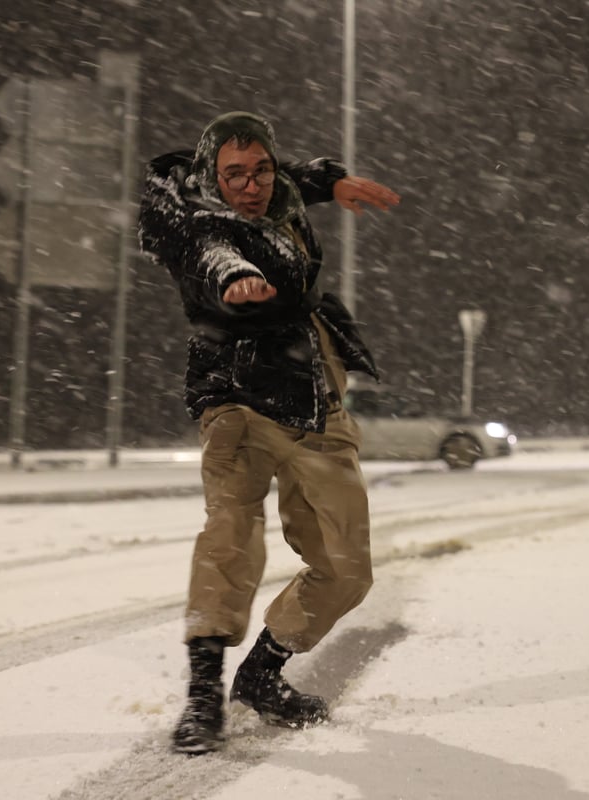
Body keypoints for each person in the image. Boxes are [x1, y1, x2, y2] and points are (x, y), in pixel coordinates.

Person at [138, 111, 400, 754]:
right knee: (228, 537)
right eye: (234, 175)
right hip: (236, 395)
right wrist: (233, 277)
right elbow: (210, 251)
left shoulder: (277, 189)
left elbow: (293, 178)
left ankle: (262, 674)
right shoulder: (192, 219)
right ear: (210, 174)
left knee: (347, 567)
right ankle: (203, 695)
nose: (249, 186)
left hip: (313, 394)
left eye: (259, 170)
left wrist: (331, 182)